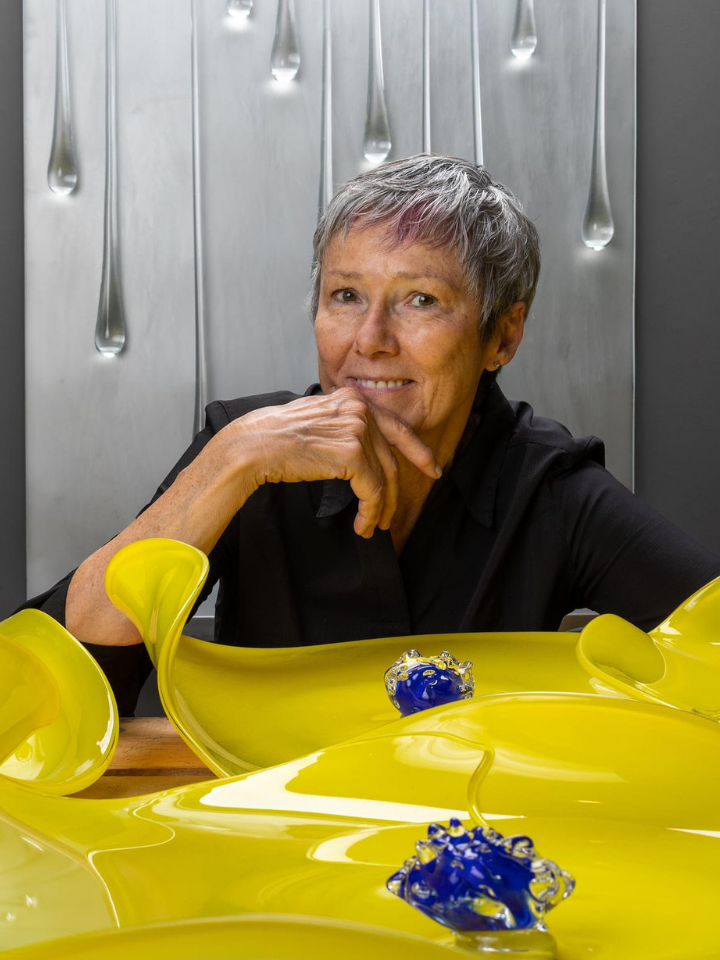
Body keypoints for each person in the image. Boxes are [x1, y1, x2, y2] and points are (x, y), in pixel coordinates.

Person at [21, 154, 720, 715]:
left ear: (503, 336)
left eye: (421, 300)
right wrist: (230, 462)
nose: (370, 340)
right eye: (346, 296)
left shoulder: (551, 487)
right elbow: (48, 693)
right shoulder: (244, 447)